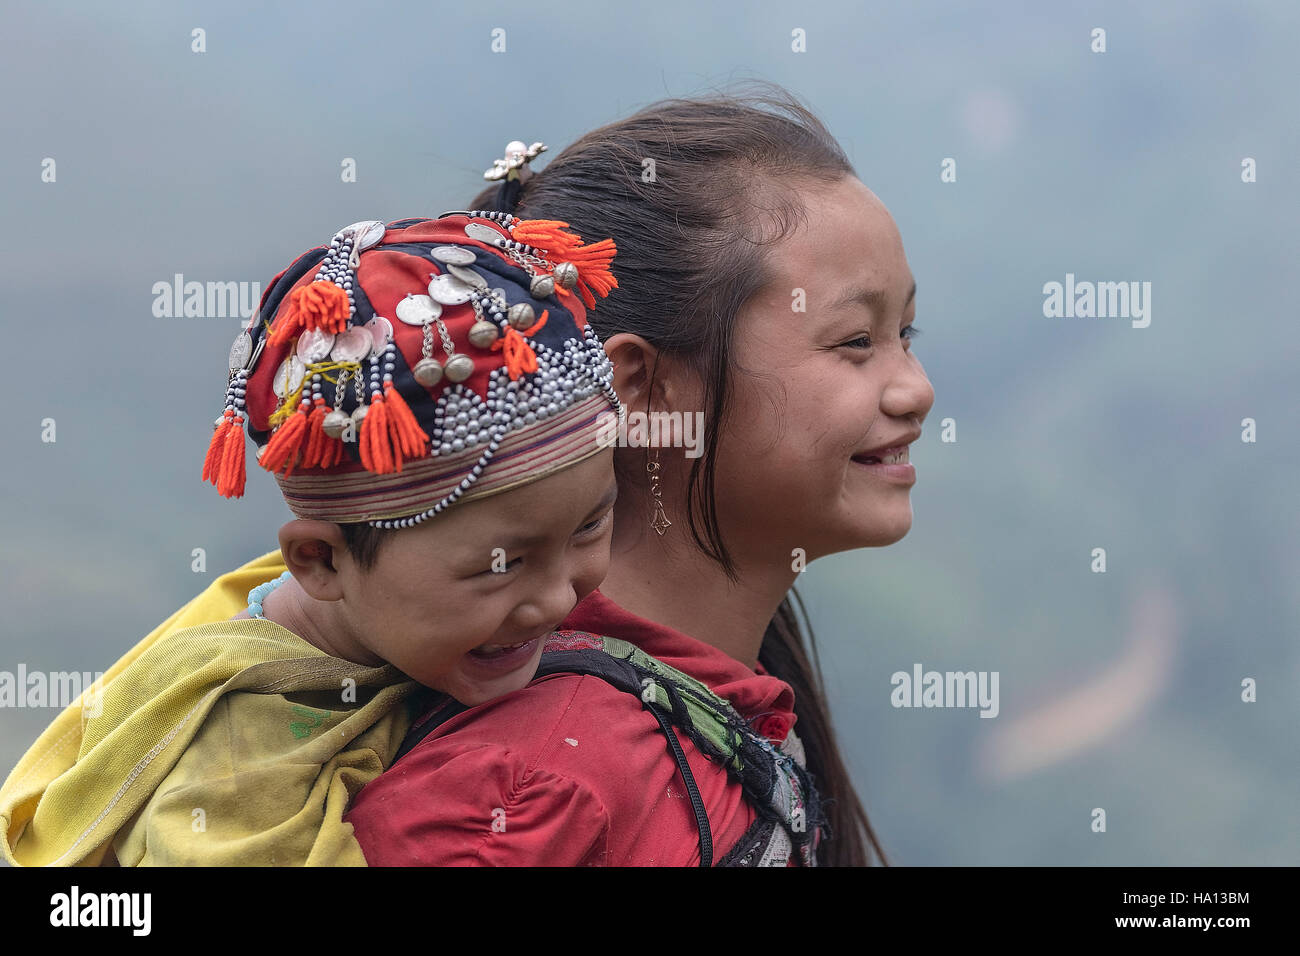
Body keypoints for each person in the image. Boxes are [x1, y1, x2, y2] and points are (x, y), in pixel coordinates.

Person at [342, 84, 934, 866]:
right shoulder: (543, 782)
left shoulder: (706, 712)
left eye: (905, 332)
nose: (914, 388)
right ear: (639, 388)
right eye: (856, 341)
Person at [0, 200, 627, 866]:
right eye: (503, 564)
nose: (559, 598)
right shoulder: (238, 772)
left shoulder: (364, 604)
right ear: (320, 563)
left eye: (590, 525)